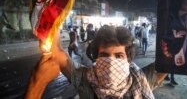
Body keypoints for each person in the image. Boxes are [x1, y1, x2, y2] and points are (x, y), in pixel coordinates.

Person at [25, 26, 168, 99]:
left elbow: (171, 60)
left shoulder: (140, 80)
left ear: (128, 59)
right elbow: (56, 52)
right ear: (96, 57)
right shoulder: (85, 79)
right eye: (104, 55)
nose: (111, 63)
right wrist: (54, 13)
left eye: (119, 56)